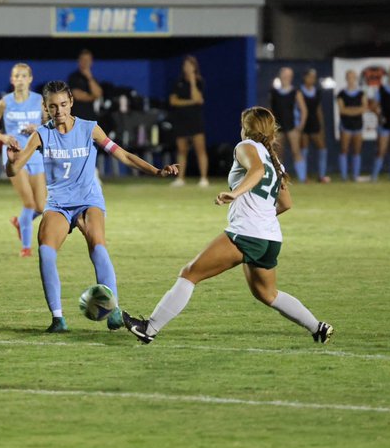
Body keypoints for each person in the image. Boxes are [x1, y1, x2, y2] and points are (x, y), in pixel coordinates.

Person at [122, 106, 332, 345]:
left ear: (248, 129)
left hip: (247, 234)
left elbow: (256, 170)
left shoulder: (247, 147)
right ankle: (318, 327)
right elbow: (286, 203)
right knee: (267, 294)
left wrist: (236, 194)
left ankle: (150, 327)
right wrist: (261, 215)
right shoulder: (275, 161)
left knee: (190, 273)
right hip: (270, 239)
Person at [6, 80, 179, 333]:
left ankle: (114, 312)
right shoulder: (42, 135)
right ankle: (57, 319)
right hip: (58, 204)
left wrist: (156, 171)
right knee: (45, 251)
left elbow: (122, 154)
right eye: (53, 106)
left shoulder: (89, 129)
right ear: (45, 107)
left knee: (97, 243)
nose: (59, 111)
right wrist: (11, 161)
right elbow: (14, 169)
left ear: (71, 103)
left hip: (88, 200)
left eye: (64, 104)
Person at [0, 63, 45, 257]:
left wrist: (38, 128)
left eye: (23, 76)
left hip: (34, 153)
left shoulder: (39, 100)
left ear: (30, 79)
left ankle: (20, 222)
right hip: (14, 155)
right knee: (29, 204)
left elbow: (49, 124)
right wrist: (4, 138)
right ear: (12, 80)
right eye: (16, 76)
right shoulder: (5, 102)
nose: (20, 79)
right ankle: (26, 248)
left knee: (41, 207)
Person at [168, 55, 209, 188]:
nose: (187, 68)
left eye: (190, 65)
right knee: (181, 150)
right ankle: (180, 178)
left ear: (194, 67)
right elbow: (173, 101)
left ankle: (203, 178)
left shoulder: (199, 82)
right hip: (181, 120)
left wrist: (192, 82)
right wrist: (191, 102)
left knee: (200, 149)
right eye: (185, 65)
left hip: (195, 120)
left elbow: (198, 97)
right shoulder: (178, 82)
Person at [267, 67, 306, 181]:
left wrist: (301, 124)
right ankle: (279, 179)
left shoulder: (295, 92)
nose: (286, 77)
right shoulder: (274, 92)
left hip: (292, 126)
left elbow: (303, 109)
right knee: (278, 154)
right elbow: (270, 110)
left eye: (289, 75)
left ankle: (302, 177)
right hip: (278, 126)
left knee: (296, 151)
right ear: (280, 76)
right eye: (285, 75)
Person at [335, 69, 367, 182]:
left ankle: (355, 175)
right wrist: (356, 110)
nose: (351, 79)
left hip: (358, 125)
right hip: (346, 125)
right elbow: (342, 110)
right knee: (344, 149)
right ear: (346, 78)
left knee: (357, 150)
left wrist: (350, 110)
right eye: (349, 77)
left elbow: (364, 108)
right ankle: (344, 176)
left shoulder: (361, 93)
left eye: (353, 77)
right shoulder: (341, 94)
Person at [298, 67, 329, 183]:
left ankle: (322, 175)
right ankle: (304, 177)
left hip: (314, 123)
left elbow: (318, 110)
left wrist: (321, 125)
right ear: (304, 78)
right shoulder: (299, 92)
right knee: (304, 150)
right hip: (304, 123)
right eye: (310, 77)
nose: (312, 79)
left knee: (322, 149)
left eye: (314, 78)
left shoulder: (317, 92)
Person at [67, 49, 103, 121]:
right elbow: (78, 96)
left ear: (91, 62)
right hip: (76, 118)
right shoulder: (73, 77)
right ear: (79, 61)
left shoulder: (93, 79)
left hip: (91, 118)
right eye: (83, 59)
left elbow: (98, 94)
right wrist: (93, 96)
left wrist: (89, 77)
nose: (86, 62)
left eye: (88, 60)